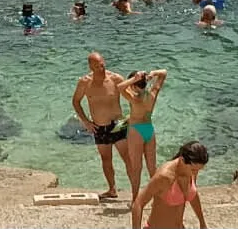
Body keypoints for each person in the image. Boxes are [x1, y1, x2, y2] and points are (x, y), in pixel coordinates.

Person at [71, 52, 136, 202]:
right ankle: (112, 189)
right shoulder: (84, 82)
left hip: (118, 125)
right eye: (97, 65)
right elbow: (76, 102)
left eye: (102, 64)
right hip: (99, 127)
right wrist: (86, 121)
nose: (101, 67)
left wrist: (131, 118)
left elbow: (133, 99)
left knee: (128, 158)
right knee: (106, 159)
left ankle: (135, 193)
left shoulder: (115, 79)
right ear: (90, 66)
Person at [132, 141, 209, 229]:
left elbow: (193, 195)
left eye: (199, 170)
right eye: (194, 170)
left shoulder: (191, 170)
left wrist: (202, 222)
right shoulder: (164, 177)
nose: (195, 173)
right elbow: (138, 203)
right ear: (182, 160)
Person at [117, 69, 168, 201]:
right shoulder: (152, 94)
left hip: (136, 131)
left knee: (136, 168)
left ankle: (135, 199)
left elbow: (119, 87)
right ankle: (157, 197)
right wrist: (151, 74)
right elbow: (163, 73)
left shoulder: (134, 98)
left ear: (134, 85)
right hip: (148, 129)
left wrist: (134, 79)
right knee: (152, 167)